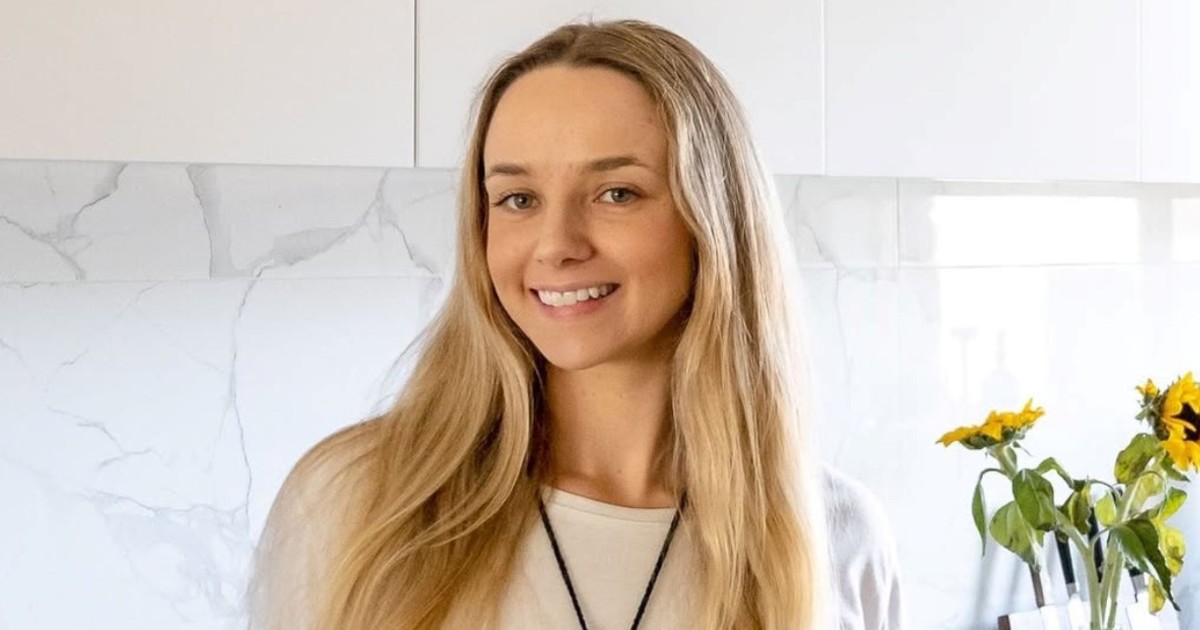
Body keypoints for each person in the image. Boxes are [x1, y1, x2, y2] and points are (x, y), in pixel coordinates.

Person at [248, 19, 903, 630]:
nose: (556, 244)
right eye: (518, 199)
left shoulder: (837, 534)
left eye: (616, 193)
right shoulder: (354, 501)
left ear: (713, 221)